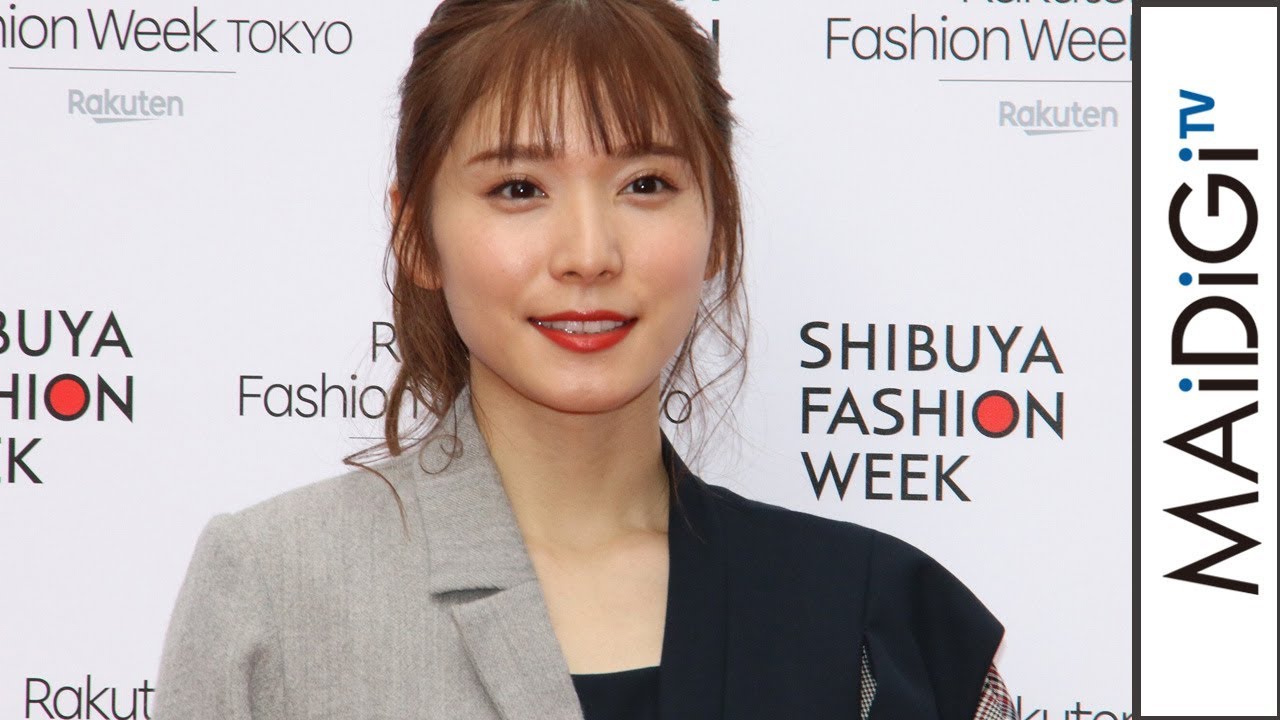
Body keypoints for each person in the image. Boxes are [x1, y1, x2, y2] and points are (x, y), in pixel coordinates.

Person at [155, 1, 1016, 718]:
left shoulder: (876, 620)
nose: (589, 254)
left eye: (645, 184)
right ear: (416, 234)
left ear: (718, 223)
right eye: (518, 188)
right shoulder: (272, 590)